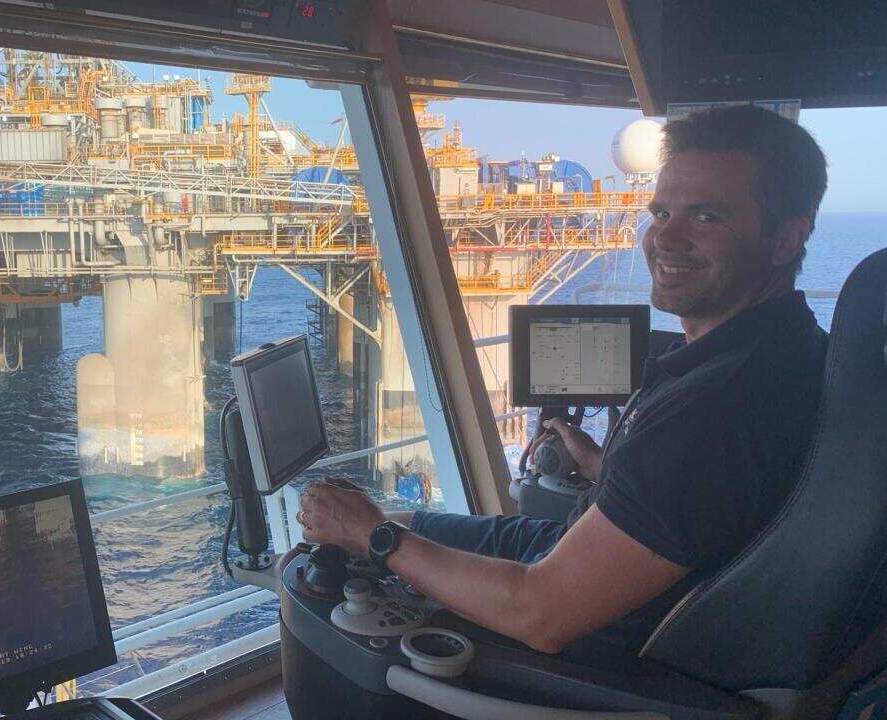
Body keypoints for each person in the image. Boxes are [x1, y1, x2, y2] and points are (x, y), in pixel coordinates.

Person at [297, 105, 830, 654]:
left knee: (360, 579)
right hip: (601, 559)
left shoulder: (718, 408)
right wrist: (611, 468)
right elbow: (697, 499)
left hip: (594, 654)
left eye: (707, 217)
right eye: (662, 212)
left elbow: (539, 614)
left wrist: (373, 537)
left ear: (786, 240)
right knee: (404, 520)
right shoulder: (786, 351)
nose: (664, 240)